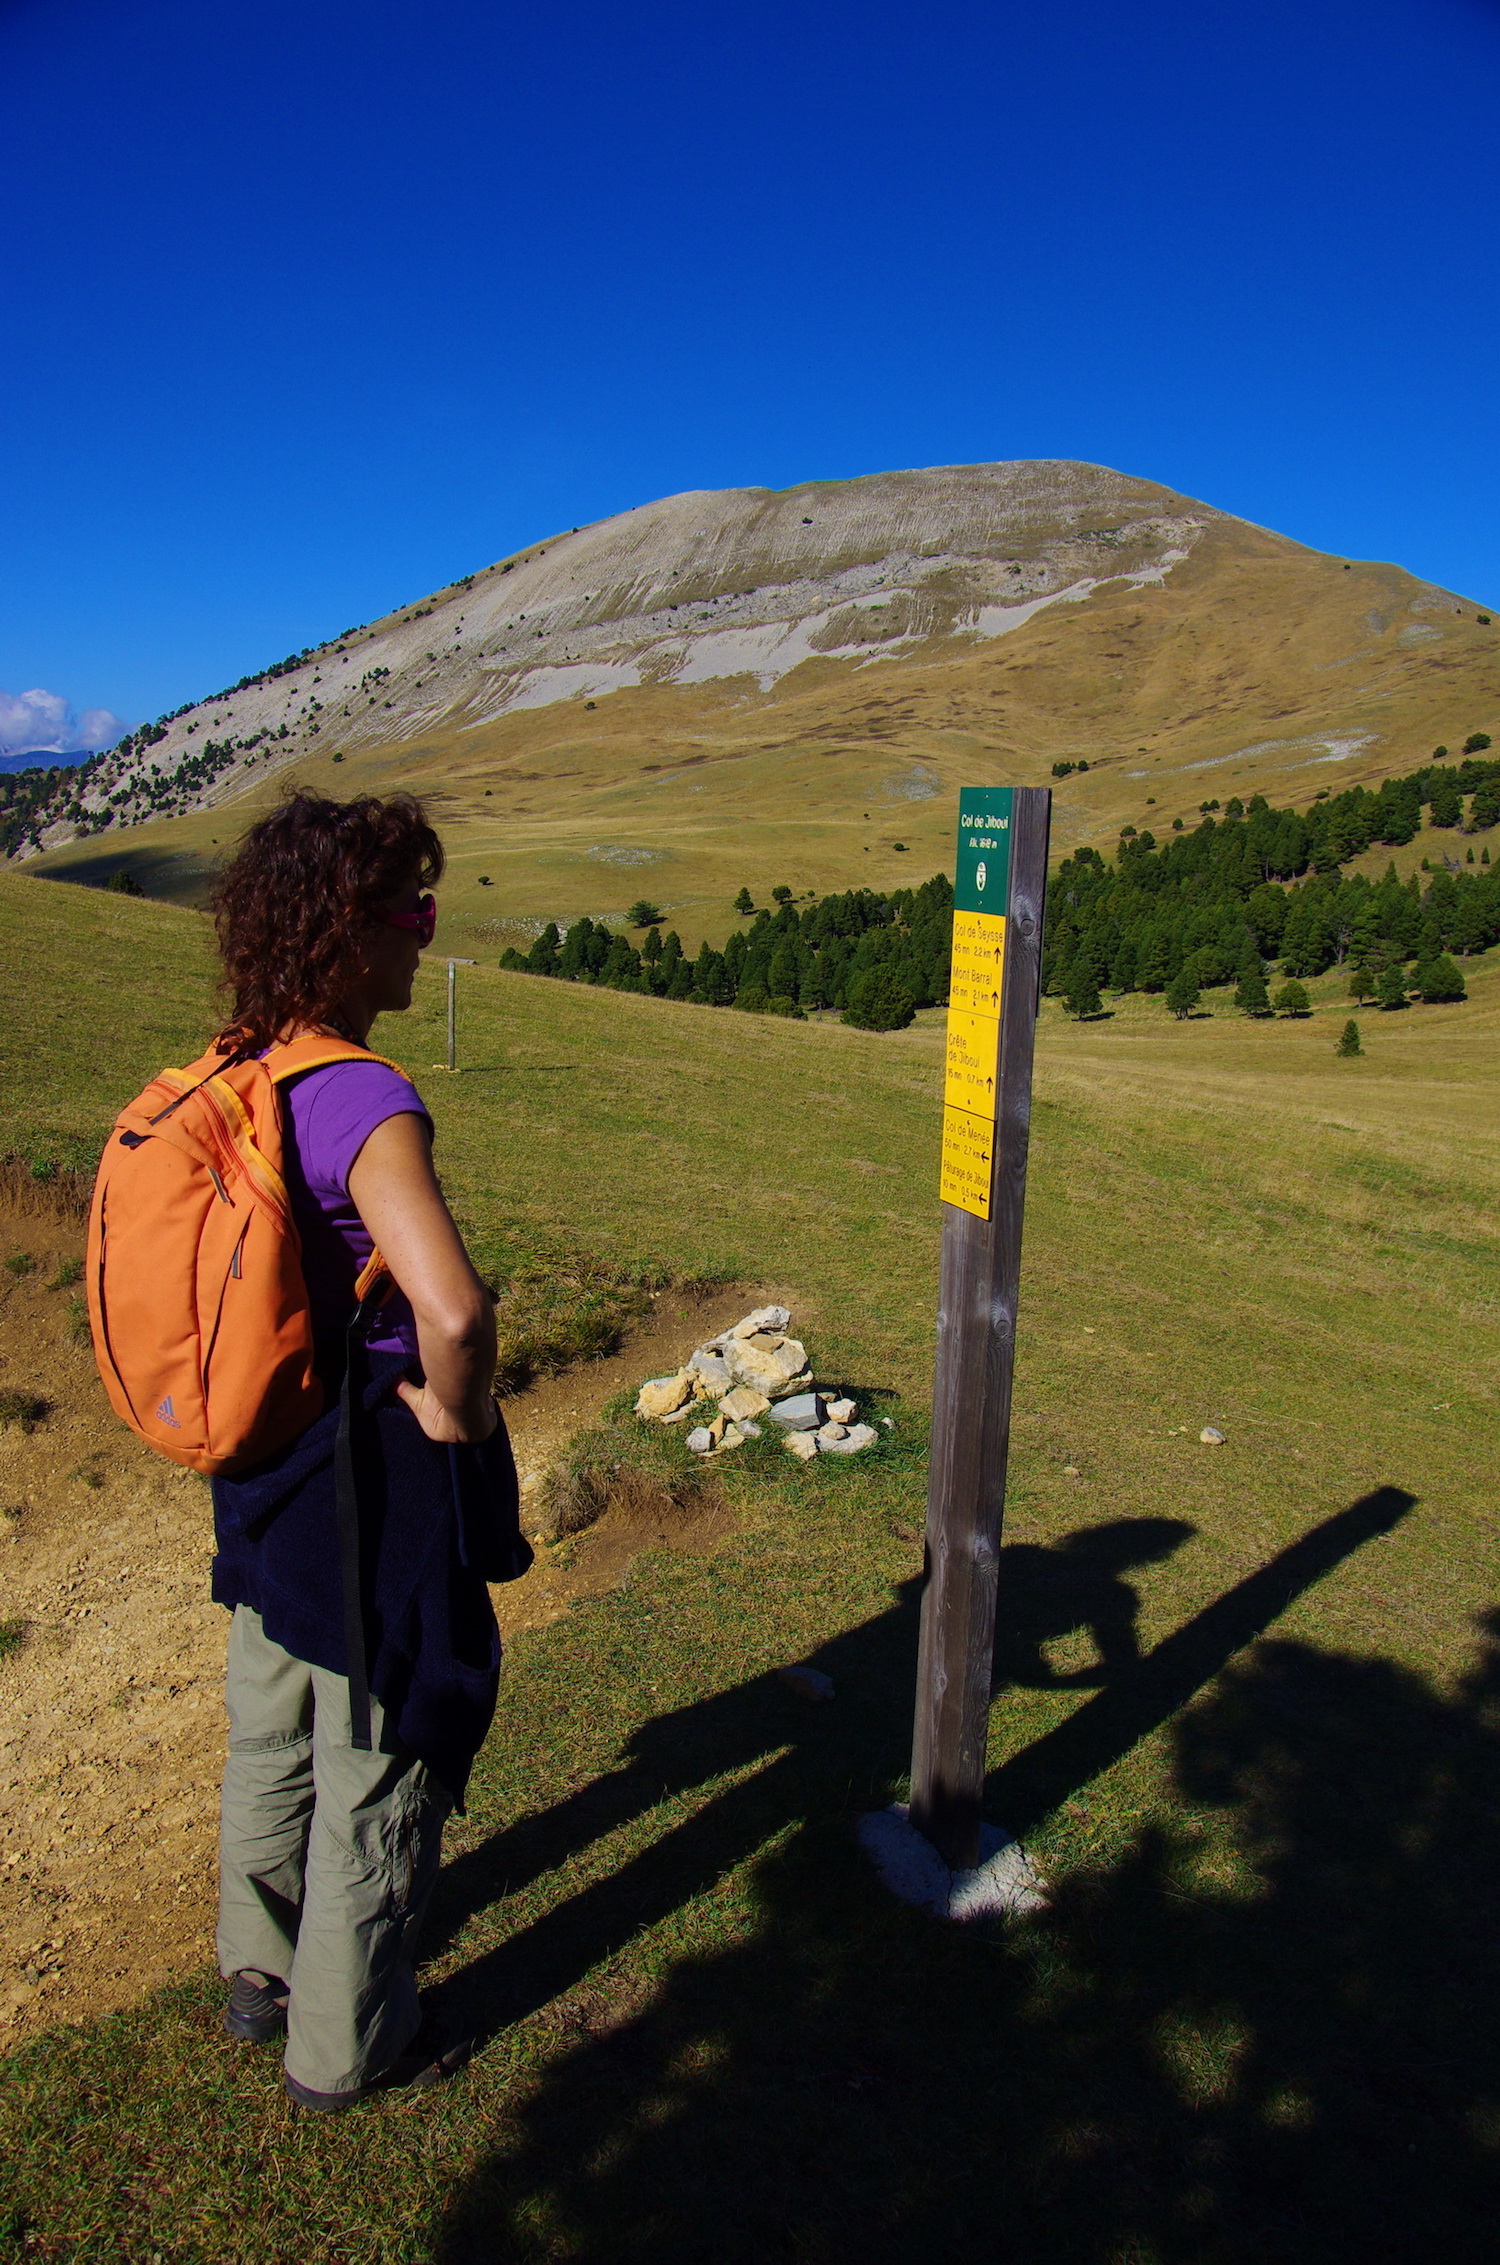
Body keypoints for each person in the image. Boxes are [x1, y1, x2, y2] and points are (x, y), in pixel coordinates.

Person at [206, 788, 528, 2111]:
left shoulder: (240, 1061)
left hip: (263, 1456)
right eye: (412, 910)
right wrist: (454, 1406)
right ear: (345, 934)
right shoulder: (359, 1093)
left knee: (272, 1709)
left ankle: (256, 1966)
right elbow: (452, 1306)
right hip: (369, 1472)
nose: (425, 935)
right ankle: (348, 2043)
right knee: (380, 1738)